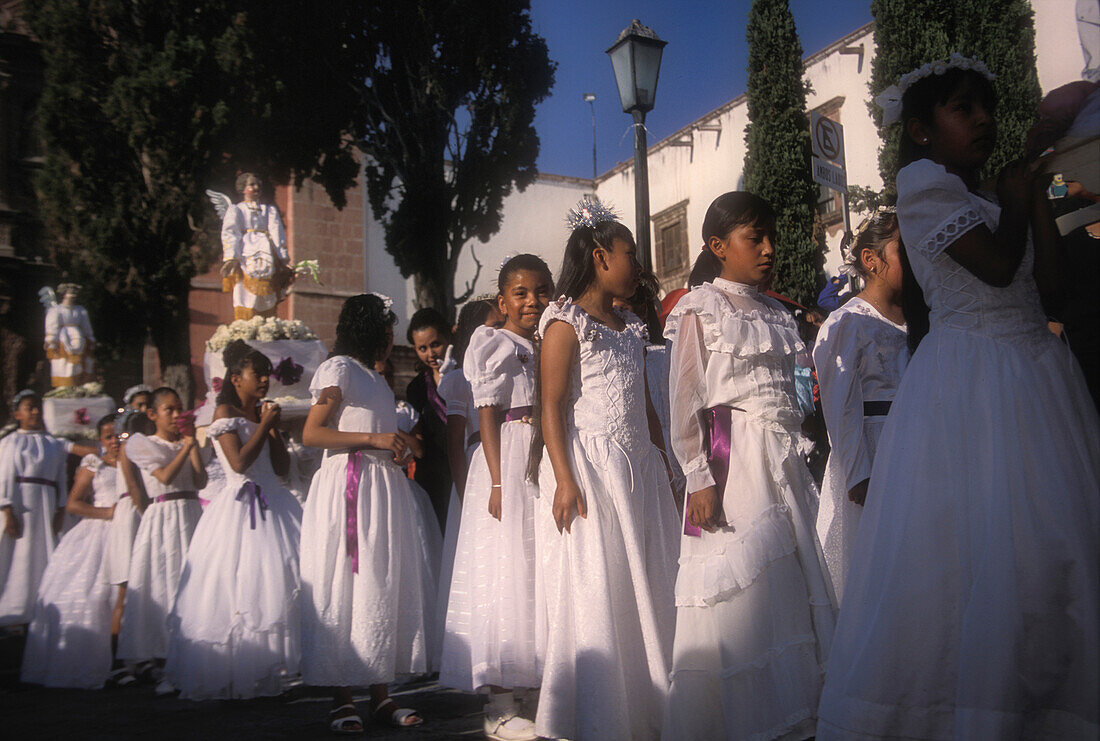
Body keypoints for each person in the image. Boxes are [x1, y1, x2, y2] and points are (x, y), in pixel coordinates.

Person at [818, 55, 1099, 739]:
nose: (981, 120)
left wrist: (1035, 198)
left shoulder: (997, 195)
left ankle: (1048, 704)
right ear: (919, 129)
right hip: (975, 378)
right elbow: (999, 271)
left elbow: (1051, 289)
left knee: (1045, 547)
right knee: (980, 547)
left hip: (1036, 373)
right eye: (962, 109)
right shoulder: (921, 185)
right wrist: (1025, 197)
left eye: (986, 109)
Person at [663, 192, 836, 741]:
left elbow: (791, 391)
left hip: (783, 459)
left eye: (770, 237)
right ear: (718, 246)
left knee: (798, 573)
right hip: (735, 463)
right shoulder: (701, 306)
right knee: (753, 584)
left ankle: (802, 708)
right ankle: (753, 714)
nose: (767, 249)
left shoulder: (775, 311)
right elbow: (686, 396)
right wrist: (698, 476)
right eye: (752, 238)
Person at [534, 202, 680, 741]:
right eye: (629, 253)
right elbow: (551, 405)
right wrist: (566, 478)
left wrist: (662, 454)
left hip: (638, 462)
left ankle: (650, 697)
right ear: (600, 258)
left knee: (647, 569)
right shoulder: (566, 323)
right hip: (595, 467)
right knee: (605, 575)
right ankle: (602, 709)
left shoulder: (632, 325)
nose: (636, 262)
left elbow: (643, 401)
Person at [300, 293, 439, 734]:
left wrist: (394, 446)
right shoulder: (338, 369)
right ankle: (341, 697)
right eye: (385, 333)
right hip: (348, 488)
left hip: (381, 489)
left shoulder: (376, 380)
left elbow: (376, 431)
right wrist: (376, 440)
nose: (389, 341)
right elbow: (313, 431)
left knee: (379, 582)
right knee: (344, 583)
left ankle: (380, 694)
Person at [439, 256, 552, 741]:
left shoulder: (549, 342)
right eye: (522, 293)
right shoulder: (493, 343)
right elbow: (487, 413)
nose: (533, 301)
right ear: (502, 301)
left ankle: (533, 688)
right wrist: (496, 481)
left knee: (536, 568)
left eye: (541, 291)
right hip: (507, 456)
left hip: (544, 458)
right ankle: (500, 702)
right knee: (507, 569)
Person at [164, 341, 302, 700]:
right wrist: (262, 425)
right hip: (241, 505)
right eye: (258, 375)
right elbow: (238, 463)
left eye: (267, 376)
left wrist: (272, 430)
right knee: (241, 584)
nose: (264, 381)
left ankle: (279, 668)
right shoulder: (224, 411)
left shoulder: (263, 414)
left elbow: (283, 469)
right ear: (237, 378)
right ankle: (239, 667)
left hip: (274, 500)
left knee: (280, 578)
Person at [812, 208, 909, 602]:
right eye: (903, 249)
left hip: (918, 443)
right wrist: (857, 472)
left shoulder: (921, 317)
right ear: (871, 260)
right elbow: (841, 405)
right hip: (876, 448)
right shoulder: (847, 323)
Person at [116, 387, 206, 691]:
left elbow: (201, 480)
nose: (177, 415)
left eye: (180, 408)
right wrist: (184, 448)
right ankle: (165, 659)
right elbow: (165, 477)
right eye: (169, 409)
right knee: (166, 581)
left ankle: (196, 652)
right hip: (165, 515)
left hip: (191, 511)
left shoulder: (184, 442)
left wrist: (192, 447)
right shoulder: (142, 445)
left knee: (194, 581)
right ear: (153, 414)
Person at [21, 413, 120, 688]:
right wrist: (107, 512)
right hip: (99, 529)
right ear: (100, 440)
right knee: (95, 591)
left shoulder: (132, 461)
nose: (114, 441)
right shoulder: (94, 464)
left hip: (129, 530)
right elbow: (73, 504)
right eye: (108, 436)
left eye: (117, 435)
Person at [432, 298, 498, 669]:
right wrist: (462, 490)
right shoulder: (459, 379)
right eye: (490, 326)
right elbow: (455, 441)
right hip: (477, 470)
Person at [0, 391, 71, 627]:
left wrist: (61, 508)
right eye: (29, 408)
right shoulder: (11, 442)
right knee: (19, 556)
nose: (35, 412)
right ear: (17, 413)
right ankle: (13, 609)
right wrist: (7, 510)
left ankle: (40, 609)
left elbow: (61, 478)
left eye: (37, 407)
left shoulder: (53, 444)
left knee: (44, 554)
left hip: (47, 505)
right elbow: (4, 477)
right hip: (22, 505)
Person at [102, 408, 151, 686]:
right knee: (124, 589)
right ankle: (118, 662)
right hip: (131, 515)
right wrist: (149, 518)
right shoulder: (129, 451)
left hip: (134, 512)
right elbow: (134, 488)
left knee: (139, 589)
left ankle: (140, 657)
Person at [405, 308, 454, 533]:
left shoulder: (469, 375)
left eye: (435, 344)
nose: (430, 354)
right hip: (433, 476)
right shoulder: (416, 388)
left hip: (466, 466)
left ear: (448, 337)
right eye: (422, 348)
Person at [219, 172, 291, 321]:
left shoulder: (269, 210)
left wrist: (283, 258)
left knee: (268, 286)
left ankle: (266, 322)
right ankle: (246, 324)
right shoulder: (237, 209)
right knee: (244, 289)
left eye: (258, 184)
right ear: (243, 188)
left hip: (266, 252)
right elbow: (231, 232)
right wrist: (231, 257)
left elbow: (277, 233)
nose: (256, 187)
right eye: (252, 184)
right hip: (246, 251)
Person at [43, 283, 95, 388]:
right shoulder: (56, 310)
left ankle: (78, 386)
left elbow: (86, 327)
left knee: (79, 365)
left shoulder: (81, 310)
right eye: (70, 293)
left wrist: (90, 339)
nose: (73, 296)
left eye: (74, 294)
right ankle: (64, 387)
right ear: (64, 294)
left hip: (79, 340)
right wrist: (51, 341)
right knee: (63, 365)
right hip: (62, 340)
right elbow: (52, 327)